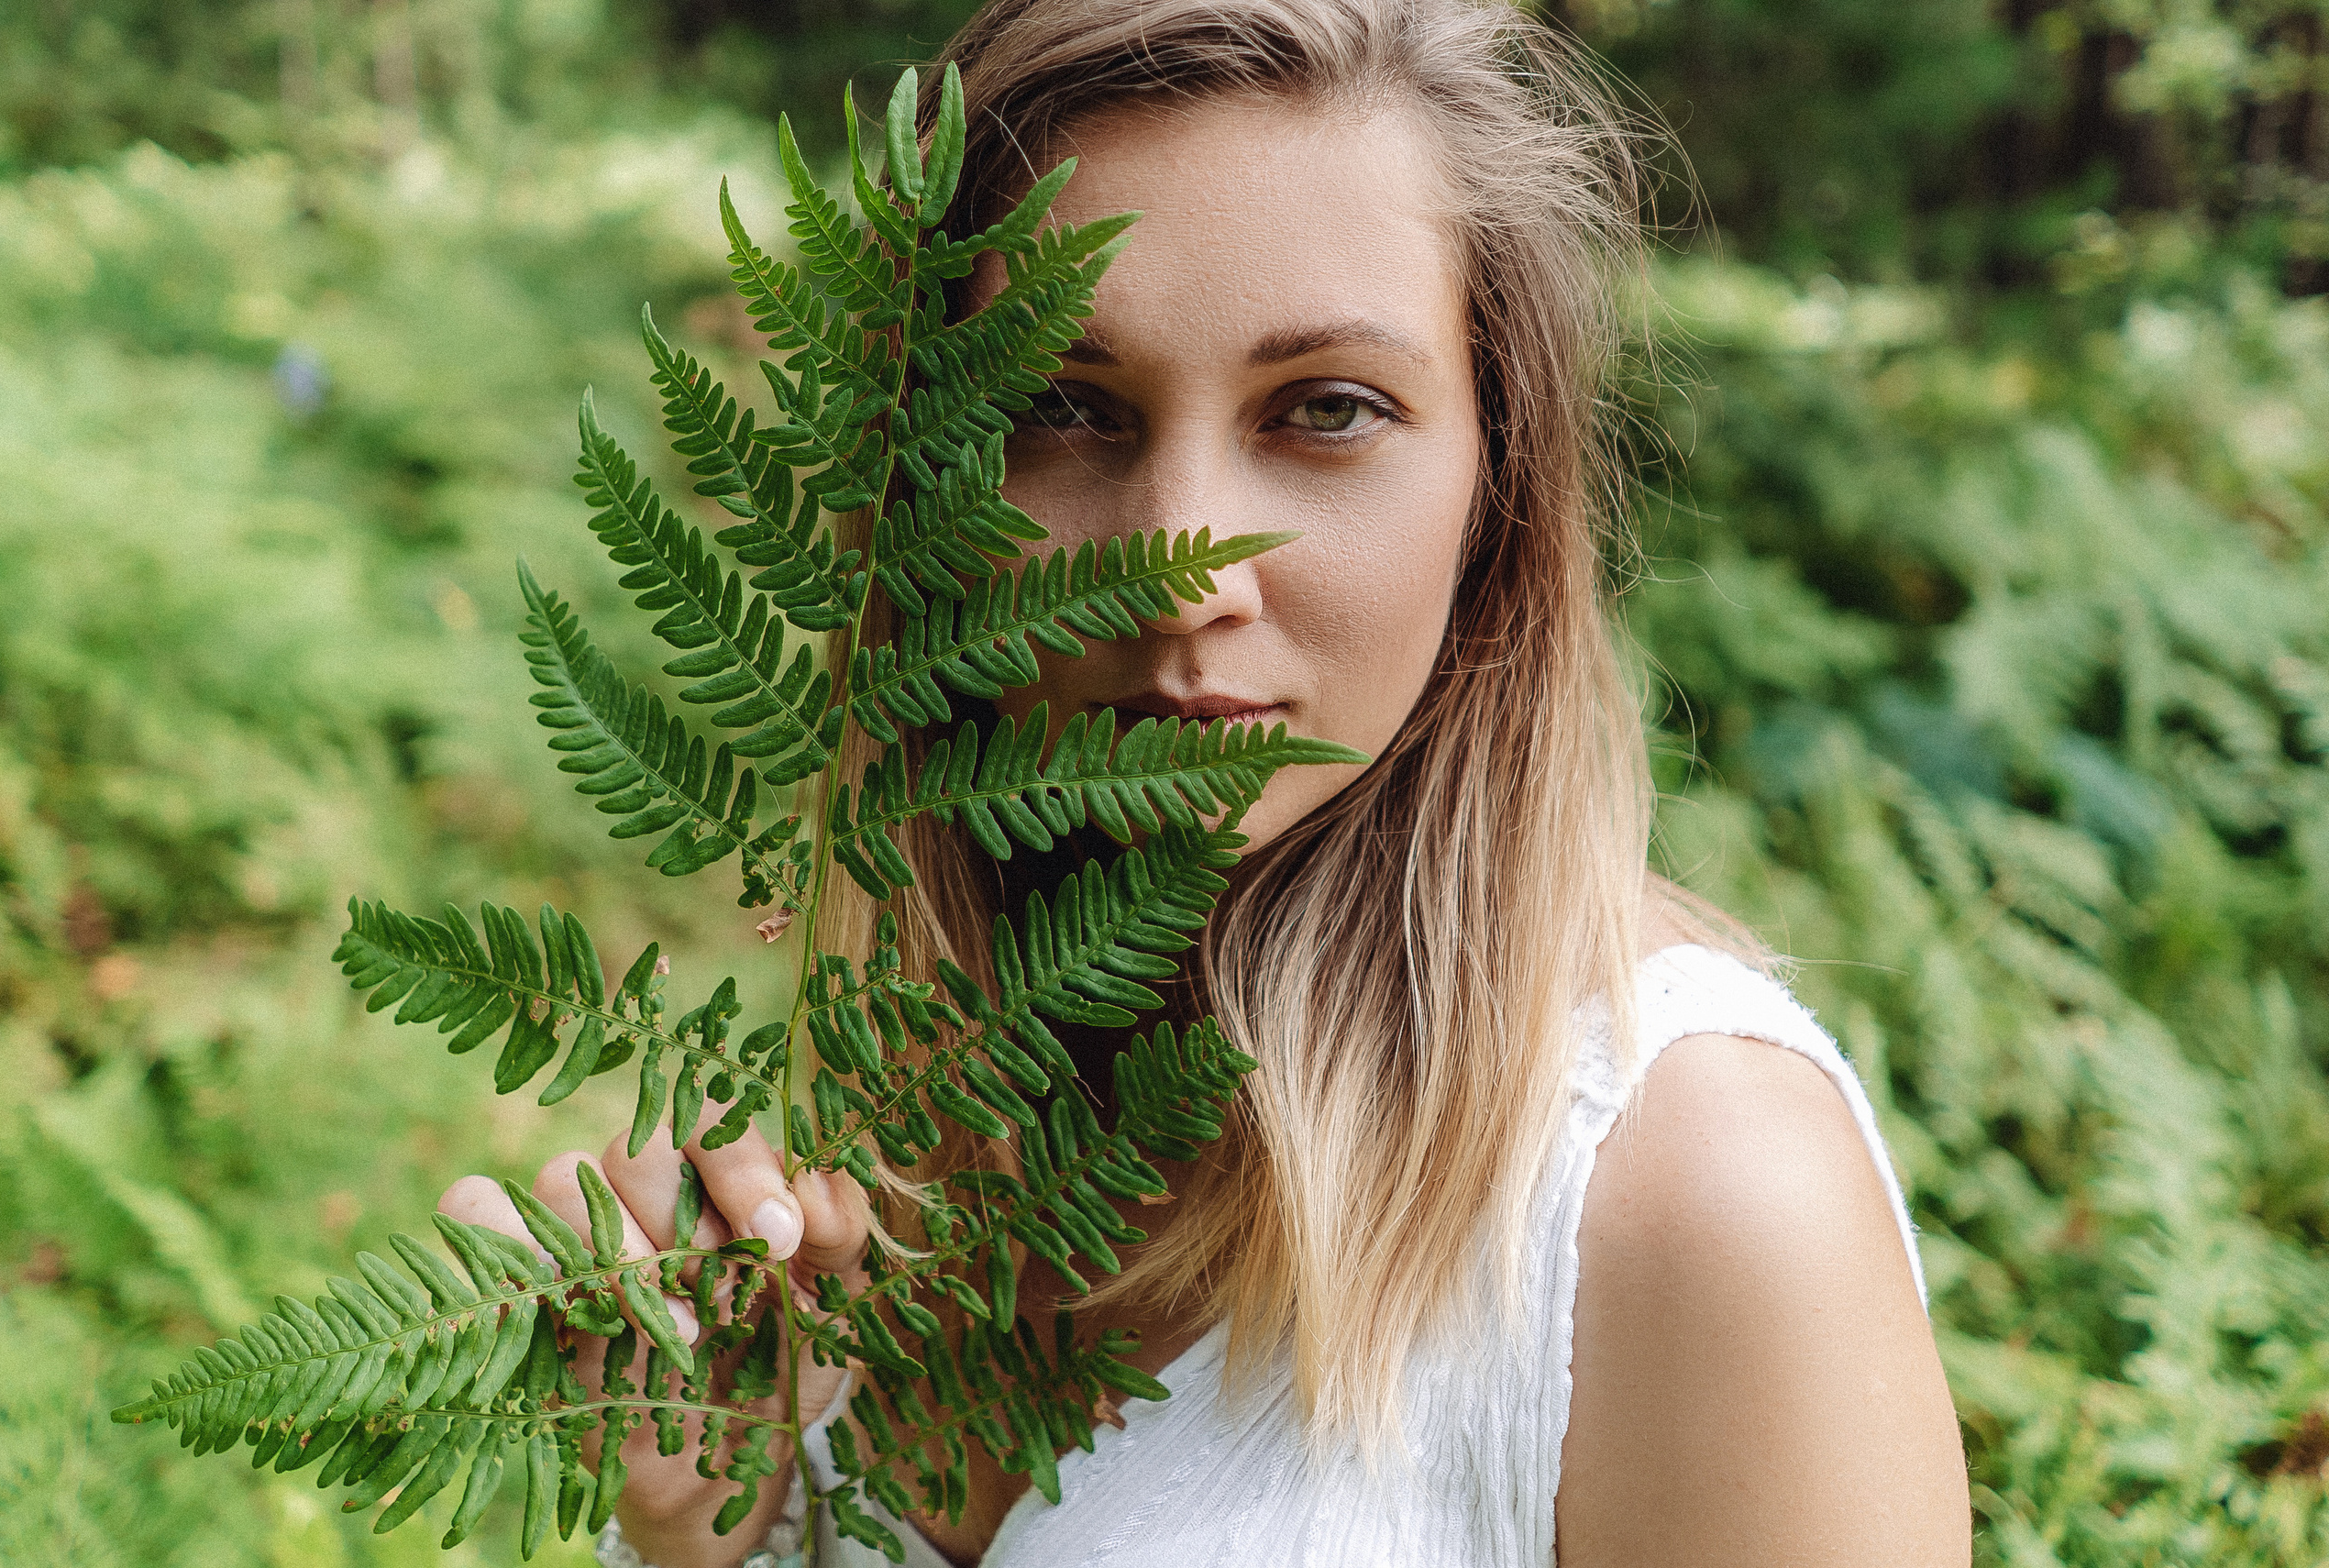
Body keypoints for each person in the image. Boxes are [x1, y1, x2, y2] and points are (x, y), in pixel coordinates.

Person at [439, 1, 1972, 1562]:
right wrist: (711, 1534)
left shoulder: (1690, 1193)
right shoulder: (898, 1130)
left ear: (1498, 477)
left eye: (1326, 410)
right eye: (1063, 404)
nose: (1180, 568)